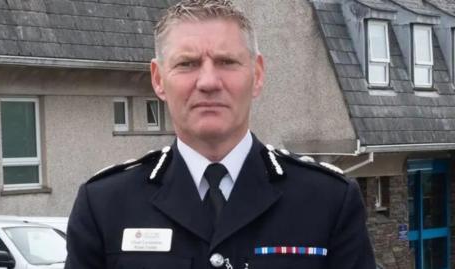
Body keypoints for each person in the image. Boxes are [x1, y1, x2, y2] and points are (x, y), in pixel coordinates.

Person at [65, 0, 376, 268]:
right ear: (159, 79)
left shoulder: (327, 201)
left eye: (227, 62)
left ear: (257, 75)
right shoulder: (105, 205)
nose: (209, 81)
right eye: (187, 63)